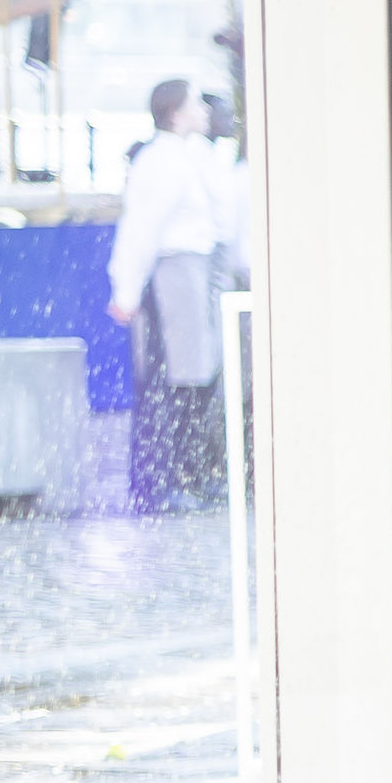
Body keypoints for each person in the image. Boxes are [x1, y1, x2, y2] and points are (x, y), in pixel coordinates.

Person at [107, 77, 249, 510]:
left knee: (200, 375)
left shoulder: (193, 156)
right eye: (195, 105)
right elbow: (141, 230)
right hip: (176, 270)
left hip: (200, 267)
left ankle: (192, 472)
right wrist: (126, 289)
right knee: (177, 379)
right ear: (174, 112)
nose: (204, 112)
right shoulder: (159, 161)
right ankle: (167, 480)